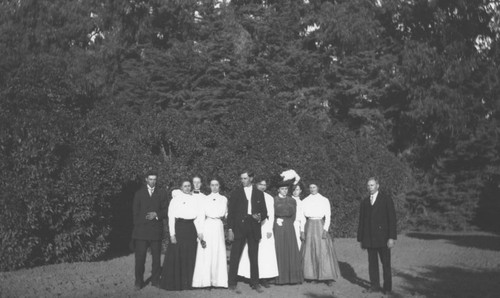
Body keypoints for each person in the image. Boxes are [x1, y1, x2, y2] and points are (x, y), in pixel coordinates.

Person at [227, 170, 268, 293]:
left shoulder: (259, 194)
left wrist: (259, 217)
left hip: (253, 227)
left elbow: (265, 212)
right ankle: (232, 282)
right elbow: (231, 213)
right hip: (239, 227)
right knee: (235, 255)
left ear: (251, 178)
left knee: (254, 256)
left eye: (245, 178)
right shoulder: (236, 193)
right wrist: (230, 229)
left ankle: (255, 283)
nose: (243, 181)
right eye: (241, 179)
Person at [159, 179, 203, 291]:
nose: (187, 188)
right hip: (179, 228)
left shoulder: (195, 199)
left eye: (189, 186)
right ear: (181, 187)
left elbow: (198, 218)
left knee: (190, 254)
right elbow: (171, 218)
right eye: (185, 186)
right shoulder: (175, 200)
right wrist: (172, 234)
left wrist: (199, 232)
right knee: (177, 255)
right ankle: (175, 283)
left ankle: (189, 283)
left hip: (191, 229)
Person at [357, 177, 397, 294]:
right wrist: (361, 239)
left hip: (383, 238)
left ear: (377, 185)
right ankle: (374, 286)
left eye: (372, 185)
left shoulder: (386, 199)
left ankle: (387, 288)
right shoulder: (364, 202)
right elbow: (362, 221)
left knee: (386, 264)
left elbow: (392, 219)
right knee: (372, 265)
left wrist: (391, 237)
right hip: (369, 239)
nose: (370, 188)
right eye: (368, 185)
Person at [238, 177, 279, 287]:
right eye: (260, 184)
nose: (263, 186)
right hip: (252, 226)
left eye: (264, 185)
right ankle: (250, 275)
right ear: (256, 185)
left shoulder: (269, 198)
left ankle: (264, 277)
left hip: (265, 226)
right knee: (252, 251)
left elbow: (271, 214)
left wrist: (270, 229)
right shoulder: (251, 195)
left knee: (265, 252)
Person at [131, 171, 168, 290]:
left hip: (156, 231)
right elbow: (135, 213)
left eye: (155, 179)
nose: (153, 181)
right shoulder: (139, 193)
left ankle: (155, 280)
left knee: (156, 258)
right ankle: (138, 282)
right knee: (140, 259)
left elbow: (166, 210)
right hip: (141, 232)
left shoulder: (162, 193)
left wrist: (156, 214)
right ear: (146, 179)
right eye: (150, 179)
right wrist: (140, 226)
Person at [300, 182, 340, 285]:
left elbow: (328, 215)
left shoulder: (324, 200)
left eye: (314, 187)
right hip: (309, 225)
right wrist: (302, 231)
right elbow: (302, 218)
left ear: (318, 187)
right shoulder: (305, 201)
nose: (312, 189)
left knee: (323, 250)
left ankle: (327, 276)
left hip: (320, 225)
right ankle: (313, 275)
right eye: (310, 187)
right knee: (311, 249)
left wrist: (325, 229)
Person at [192, 178, 228, 288]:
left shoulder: (224, 199)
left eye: (216, 185)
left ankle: (218, 281)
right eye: (212, 185)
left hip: (218, 225)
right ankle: (205, 281)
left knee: (218, 251)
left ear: (219, 186)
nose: (214, 187)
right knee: (206, 252)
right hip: (207, 225)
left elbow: (226, 214)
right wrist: (200, 232)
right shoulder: (205, 199)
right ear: (209, 186)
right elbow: (201, 215)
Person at [273, 181, 304, 285]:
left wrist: (288, 222)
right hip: (278, 226)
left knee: (290, 248)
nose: (284, 191)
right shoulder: (274, 200)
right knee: (280, 248)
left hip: (289, 225)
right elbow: (271, 213)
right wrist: (276, 220)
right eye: (282, 189)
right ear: (278, 190)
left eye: (286, 189)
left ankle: (292, 278)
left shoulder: (292, 200)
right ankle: (280, 278)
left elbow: (293, 215)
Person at [291, 183, 305, 250]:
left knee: (297, 244)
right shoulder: (288, 200)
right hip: (289, 224)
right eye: (294, 189)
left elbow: (303, 218)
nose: (295, 192)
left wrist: (302, 230)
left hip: (297, 225)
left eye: (297, 190)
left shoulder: (302, 203)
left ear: (300, 191)